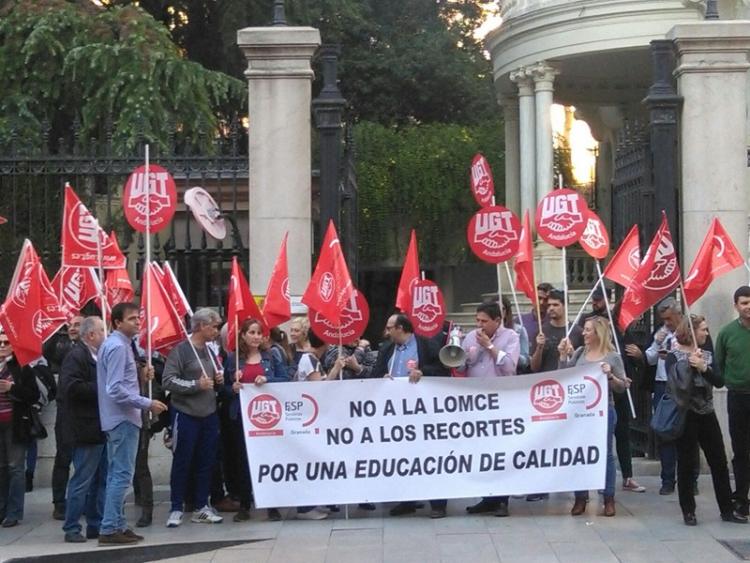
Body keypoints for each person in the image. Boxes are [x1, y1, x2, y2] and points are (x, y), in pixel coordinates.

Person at [97, 302, 167, 545]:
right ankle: (109, 527)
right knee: (121, 475)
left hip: (121, 418)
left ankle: (118, 524)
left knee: (118, 474)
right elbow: (115, 389)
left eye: (138, 318)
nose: (138, 322)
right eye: (132, 318)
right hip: (123, 419)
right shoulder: (117, 347)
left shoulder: (121, 345)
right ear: (117, 322)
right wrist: (146, 403)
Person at [666, 315, 747, 526]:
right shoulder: (674, 356)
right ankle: (688, 510)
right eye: (702, 329)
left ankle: (727, 509)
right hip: (686, 414)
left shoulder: (708, 355)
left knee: (719, 461)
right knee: (687, 462)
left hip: (707, 413)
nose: (706, 333)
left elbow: (720, 381)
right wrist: (689, 365)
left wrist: (704, 367)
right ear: (691, 331)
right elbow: (679, 388)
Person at [371, 313, 448, 518]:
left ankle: (438, 503)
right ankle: (407, 500)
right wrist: (383, 377)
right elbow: (375, 374)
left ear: (402, 328)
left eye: (390, 328)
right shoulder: (387, 349)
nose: (386, 332)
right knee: (402, 456)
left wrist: (424, 372)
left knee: (430, 455)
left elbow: (443, 370)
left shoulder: (426, 345)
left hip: (424, 412)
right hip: (396, 414)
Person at [559, 316, 629, 517]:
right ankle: (580, 497)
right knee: (579, 453)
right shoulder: (580, 352)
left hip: (604, 409)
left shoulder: (612, 356)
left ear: (598, 333)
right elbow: (564, 376)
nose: (583, 333)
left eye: (588, 330)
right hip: (579, 413)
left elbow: (622, 387)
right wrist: (563, 357)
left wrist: (610, 376)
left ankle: (608, 498)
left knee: (606, 454)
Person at [162, 308, 225, 528]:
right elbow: (168, 381)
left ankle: (201, 506)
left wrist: (219, 379)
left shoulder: (210, 350)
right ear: (201, 326)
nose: (216, 331)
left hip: (208, 414)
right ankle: (176, 507)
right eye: (214, 326)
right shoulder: (180, 351)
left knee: (206, 462)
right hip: (186, 414)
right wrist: (195, 385)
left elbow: (215, 380)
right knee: (182, 461)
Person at [225, 318, 289, 522]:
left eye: (258, 333)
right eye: (251, 332)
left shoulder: (271, 356)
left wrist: (268, 380)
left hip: (268, 420)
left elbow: (286, 379)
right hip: (241, 418)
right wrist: (232, 388)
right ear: (243, 335)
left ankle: (272, 504)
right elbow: (223, 389)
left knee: (269, 460)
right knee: (243, 461)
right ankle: (245, 503)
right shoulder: (233, 359)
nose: (255, 336)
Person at [460, 301, 520, 517]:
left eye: (484, 321)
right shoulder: (470, 337)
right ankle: (487, 497)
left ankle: (502, 500)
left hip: (500, 402)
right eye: (477, 320)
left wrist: (490, 347)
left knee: (500, 452)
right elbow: (460, 365)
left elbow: (510, 367)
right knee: (482, 451)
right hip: (476, 403)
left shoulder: (511, 337)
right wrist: (460, 354)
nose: (480, 325)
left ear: (497, 320)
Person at [60, 316, 108, 543]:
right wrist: (104, 387)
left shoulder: (98, 356)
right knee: (82, 480)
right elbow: (71, 388)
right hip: (85, 428)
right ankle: (71, 527)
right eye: (102, 331)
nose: (104, 335)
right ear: (91, 335)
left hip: (101, 426)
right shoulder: (76, 356)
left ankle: (95, 524)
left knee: (102, 480)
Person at [0, 330, 41, 528]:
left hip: (15, 424)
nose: (2, 346)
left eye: (6, 342)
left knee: (15, 467)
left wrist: (11, 388)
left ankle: (14, 512)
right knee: (1, 468)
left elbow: (33, 395)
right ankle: (2, 509)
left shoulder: (22, 367)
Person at [716, 285, 750, 517]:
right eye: (744, 303)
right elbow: (718, 365)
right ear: (736, 306)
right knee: (740, 450)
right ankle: (741, 497)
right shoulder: (727, 333)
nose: (748, 307)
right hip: (737, 396)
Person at [645, 297, 683, 496]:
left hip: (683, 386)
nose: (667, 323)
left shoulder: (688, 330)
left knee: (687, 432)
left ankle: (689, 478)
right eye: (664, 319)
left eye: (669, 319)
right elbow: (650, 358)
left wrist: (672, 355)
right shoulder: (661, 333)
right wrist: (656, 345)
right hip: (662, 385)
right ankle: (667, 479)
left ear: (678, 314)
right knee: (664, 432)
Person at [47, 315, 83, 520]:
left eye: (77, 324)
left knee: (85, 460)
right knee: (63, 458)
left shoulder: (91, 349)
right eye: (70, 325)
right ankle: (59, 502)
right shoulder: (61, 345)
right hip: (66, 413)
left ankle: (81, 499)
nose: (72, 328)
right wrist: (55, 325)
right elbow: (47, 350)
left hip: (86, 416)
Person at [530, 289, 583, 374]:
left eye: (555, 305)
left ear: (565, 306)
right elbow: (534, 368)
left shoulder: (578, 332)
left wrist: (572, 354)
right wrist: (539, 348)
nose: (551, 308)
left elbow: (584, 366)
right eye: (549, 305)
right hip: (546, 381)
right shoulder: (540, 331)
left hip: (569, 381)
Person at [501, 296, 529, 372]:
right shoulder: (484, 331)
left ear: (507, 311)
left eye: (502, 309)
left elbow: (525, 361)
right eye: (495, 308)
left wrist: (508, 354)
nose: (499, 311)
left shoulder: (518, 330)